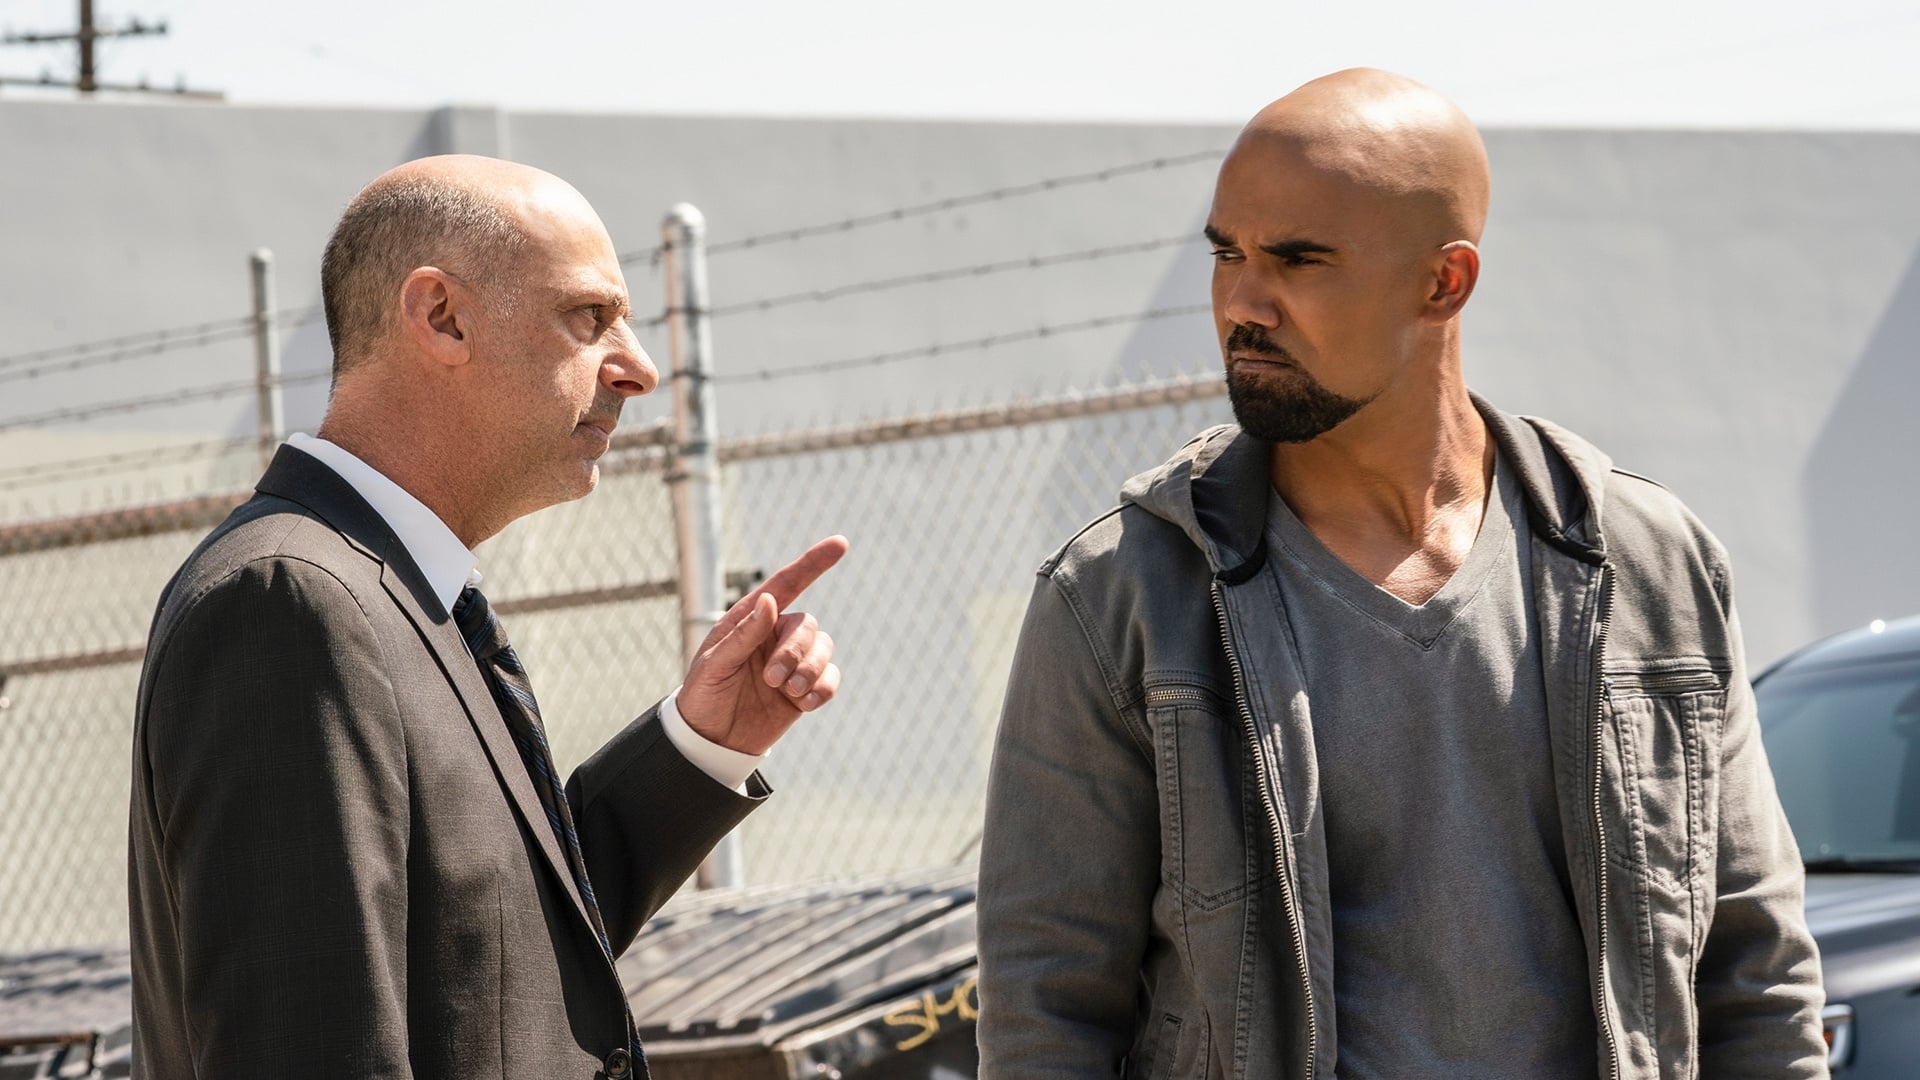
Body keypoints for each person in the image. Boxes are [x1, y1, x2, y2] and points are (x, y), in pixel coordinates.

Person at [976, 69, 1827, 1079]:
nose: (1243, 301)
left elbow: (1756, 976)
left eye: (1299, 260)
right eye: (1227, 253)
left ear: (1444, 283)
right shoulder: (1124, 594)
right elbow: (1045, 1008)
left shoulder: (1650, 565)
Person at [128, 154, 847, 1079]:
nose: (638, 369)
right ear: (442, 316)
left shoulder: (382, 594)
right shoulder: (290, 603)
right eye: (589, 317)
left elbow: (499, 963)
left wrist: (701, 742)